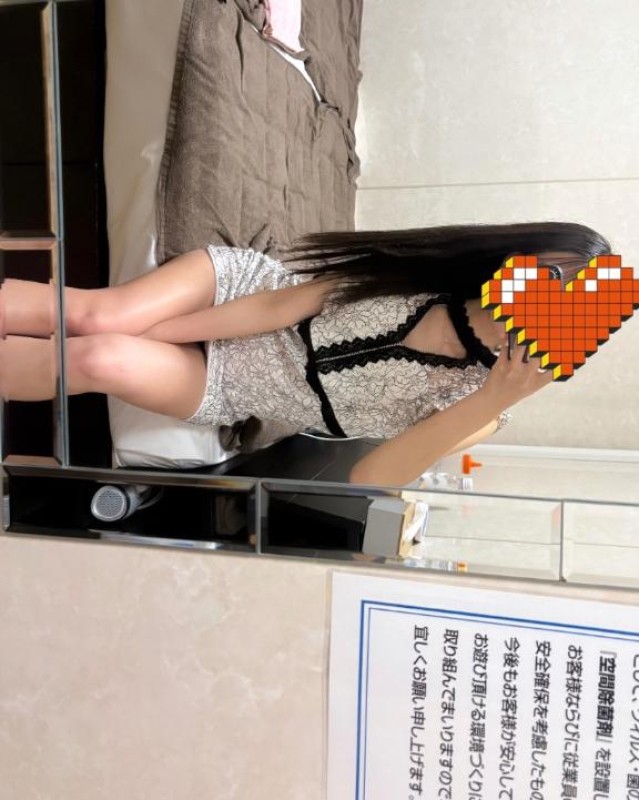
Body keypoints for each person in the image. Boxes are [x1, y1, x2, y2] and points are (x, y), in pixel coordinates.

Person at [1, 221, 611, 486]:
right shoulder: (429, 277)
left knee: (102, 360)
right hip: (241, 296)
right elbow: (279, 305)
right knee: (99, 319)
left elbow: (369, 476)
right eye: (551, 275)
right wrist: (165, 331)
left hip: (232, 386)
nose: (546, 298)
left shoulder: (480, 415)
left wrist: (494, 396)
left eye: (568, 303)